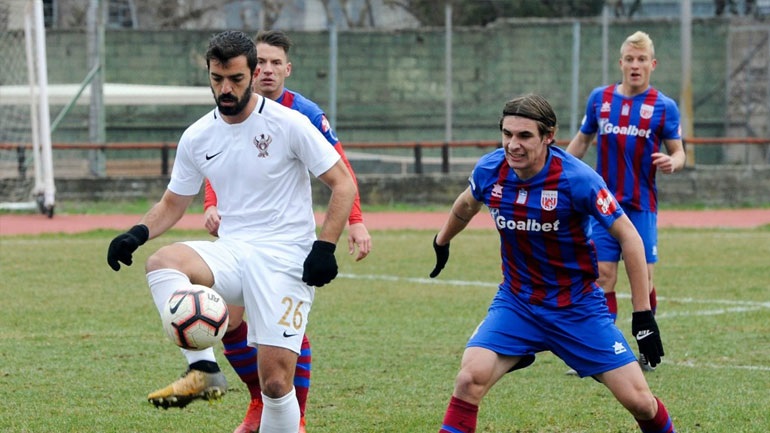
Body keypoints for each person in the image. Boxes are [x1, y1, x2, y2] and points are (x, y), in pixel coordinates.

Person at [106, 30, 357, 433]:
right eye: (217, 78)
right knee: (163, 262)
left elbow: (343, 183)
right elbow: (173, 203)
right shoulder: (197, 135)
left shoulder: (289, 123)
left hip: (286, 257)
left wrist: (324, 248)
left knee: (276, 383)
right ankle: (202, 364)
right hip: (234, 251)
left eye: (236, 79)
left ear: (253, 74)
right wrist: (135, 233)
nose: (225, 88)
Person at [430, 93, 676, 433]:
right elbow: (466, 205)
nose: (513, 145)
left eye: (524, 136)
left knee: (640, 402)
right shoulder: (490, 170)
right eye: (507, 134)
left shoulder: (578, 179)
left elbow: (629, 238)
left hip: (577, 307)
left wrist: (643, 314)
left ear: (549, 136)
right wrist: (441, 240)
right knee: (469, 378)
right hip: (518, 303)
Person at [202, 29, 372, 433]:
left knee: (284, 331)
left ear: (287, 69)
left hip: (286, 241)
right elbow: (218, 159)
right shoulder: (230, 108)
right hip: (241, 238)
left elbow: (341, 171)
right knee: (228, 323)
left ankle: (295, 415)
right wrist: (212, 205)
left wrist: (355, 221)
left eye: (275, 63)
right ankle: (260, 402)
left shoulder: (304, 114)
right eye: (259, 62)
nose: (266, 70)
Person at [566, 30, 685, 371]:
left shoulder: (664, 107)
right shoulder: (600, 99)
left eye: (642, 59)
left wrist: (671, 162)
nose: (635, 65)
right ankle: (602, 349)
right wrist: (557, 173)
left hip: (641, 207)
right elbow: (581, 142)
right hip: (604, 207)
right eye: (630, 59)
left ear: (652, 64)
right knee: (603, 275)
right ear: (621, 63)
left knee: (642, 280)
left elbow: (679, 153)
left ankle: (646, 346)